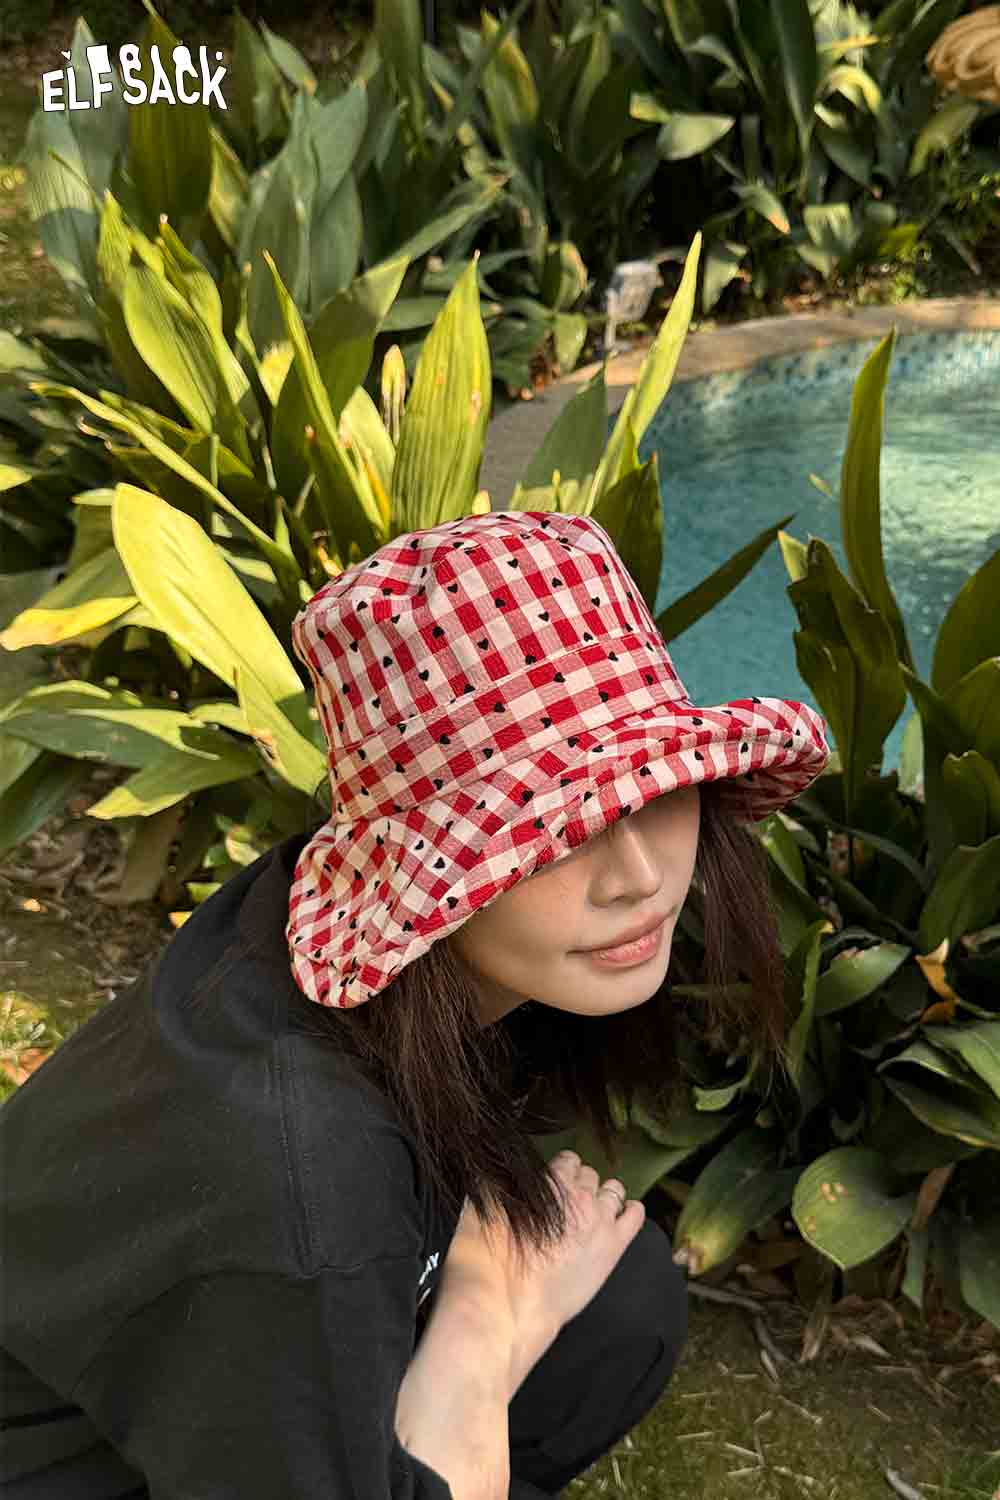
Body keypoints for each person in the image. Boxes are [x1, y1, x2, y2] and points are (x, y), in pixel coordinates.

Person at [1, 510, 830, 1498]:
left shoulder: (327, 946)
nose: (640, 877)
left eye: (654, 790)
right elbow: (321, 1227)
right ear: (426, 871)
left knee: (617, 1305)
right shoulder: (302, 1182)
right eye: (557, 833)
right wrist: (483, 1329)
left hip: (207, 1371)